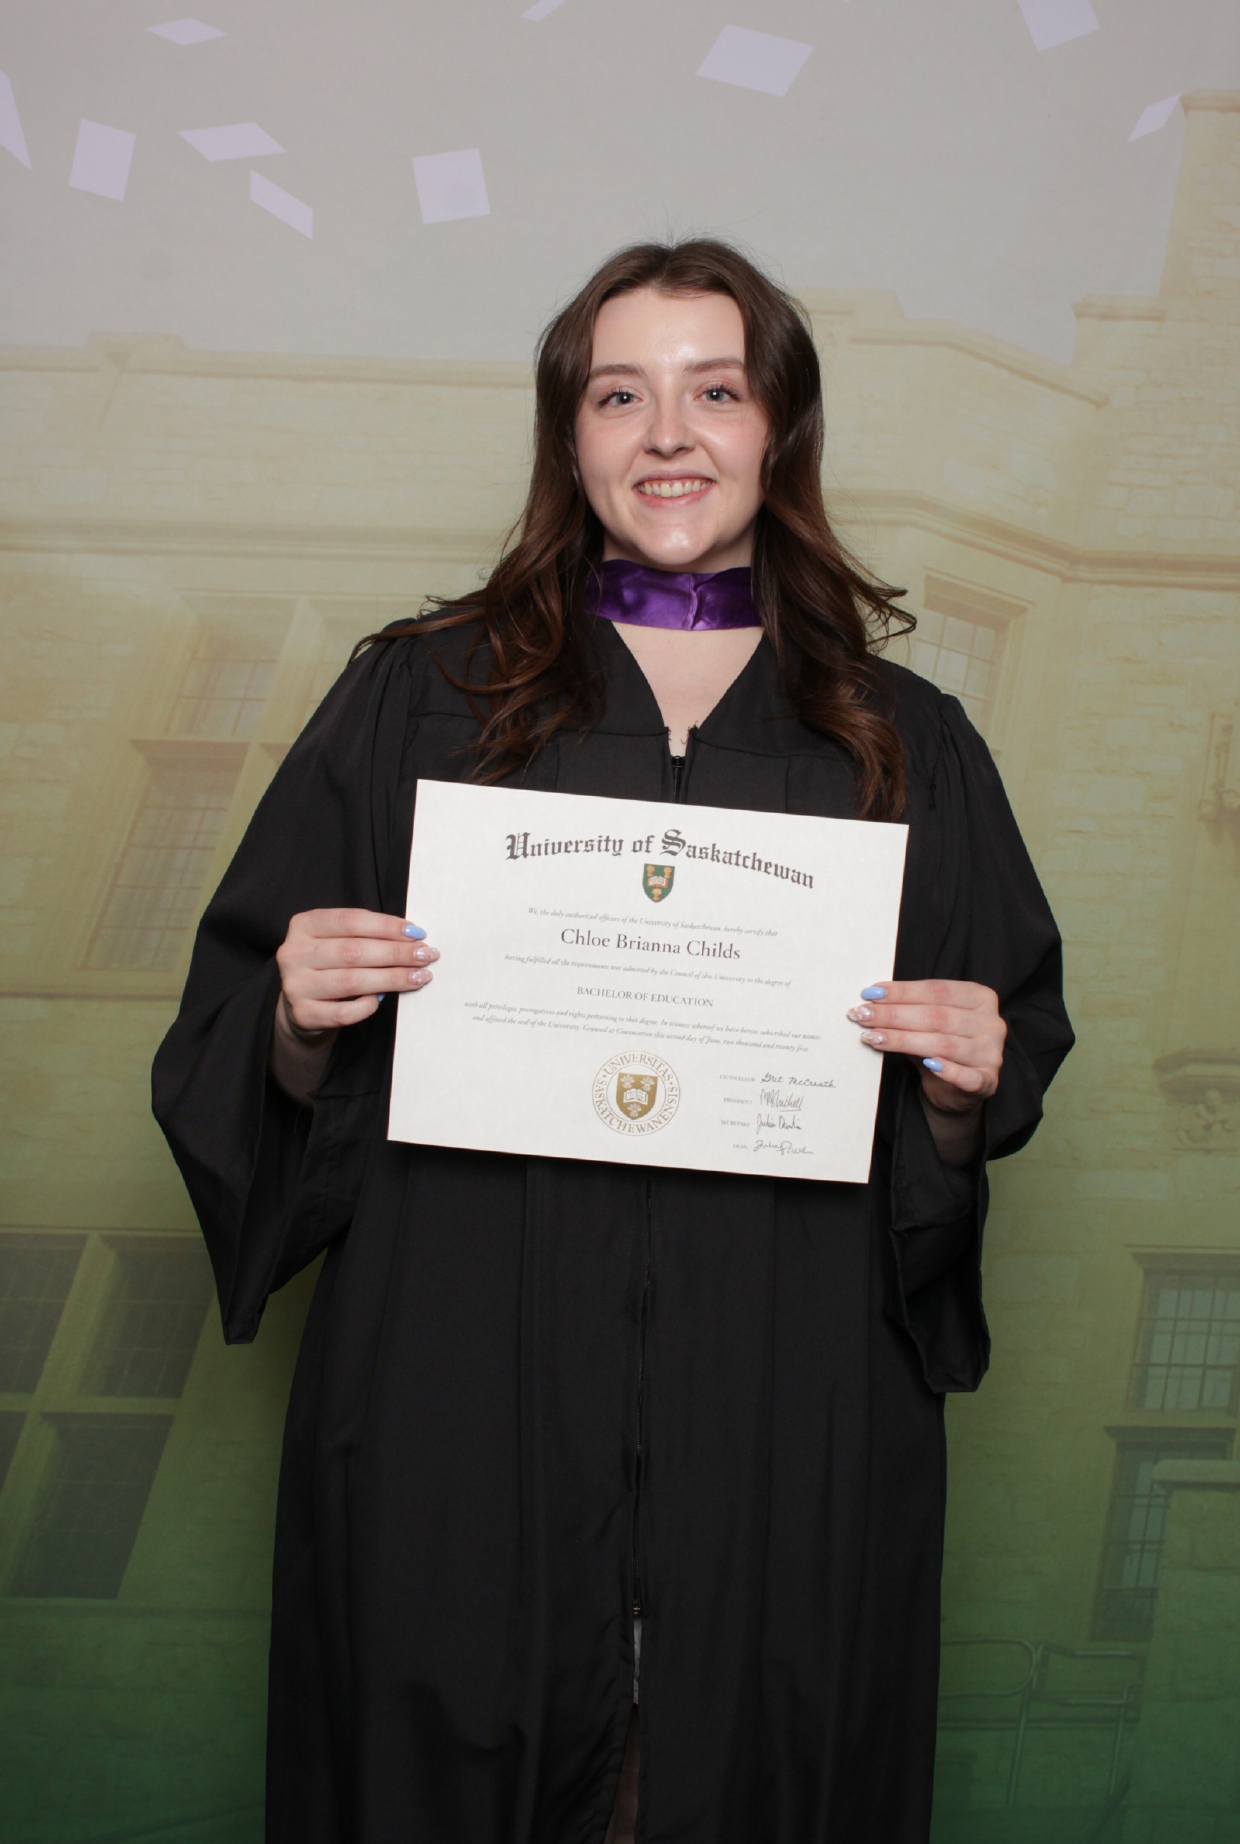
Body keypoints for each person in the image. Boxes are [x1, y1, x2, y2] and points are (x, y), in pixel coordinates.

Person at [153, 239, 1072, 1844]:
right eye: (618, 395)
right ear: (567, 436)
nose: (668, 436)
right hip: (459, 1393)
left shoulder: (903, 742)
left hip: (784, 1404)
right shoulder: (418, 700)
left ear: (779, 429)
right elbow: (236, 1053)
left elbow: (980, 1097)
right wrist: (295, 1020)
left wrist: (956, 1090)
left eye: (715, 392)